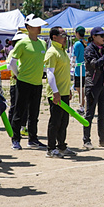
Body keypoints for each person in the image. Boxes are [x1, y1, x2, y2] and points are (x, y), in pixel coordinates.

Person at [9, 16, 48, 150]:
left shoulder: (43, 43)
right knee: (19, 112)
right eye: (36, 26)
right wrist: (18, 75)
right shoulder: (22, 43)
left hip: (37, 83)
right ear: (28, 28)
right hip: (23, 82)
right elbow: (12, 63)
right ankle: (15, 139)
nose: (39, 28)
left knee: (34, 113)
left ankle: (33, 139)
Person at [44, 26, 78, 159]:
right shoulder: (52, 52)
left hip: (64, 91)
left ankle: (61, 146)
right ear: (54, 37)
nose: (65, 38)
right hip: (55, 93)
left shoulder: (63, 51)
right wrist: (55, 92)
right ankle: (51, 148)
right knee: (55, 121)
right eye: (62, 35)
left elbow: (63, 73)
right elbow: (50, 73)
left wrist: (68, 89)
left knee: (64, 121)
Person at [82, 27, 104, 148]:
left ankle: (103, 139)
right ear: (94, 37)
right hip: (93, 85)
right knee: (89, 113)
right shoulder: (89, 49)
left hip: (103, 84)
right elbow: (95, 64)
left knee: (103, 113)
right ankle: (86, 140)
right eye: (101, 36)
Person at [72, 26, 88, 105]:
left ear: (77, 33)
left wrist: (72, 64)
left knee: (79, 89)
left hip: (79, 70)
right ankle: (83, 104)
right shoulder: (86, 42)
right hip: (86, 69)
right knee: (83, 89)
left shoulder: (77, 44)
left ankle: (82, 105)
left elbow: (74, 56)